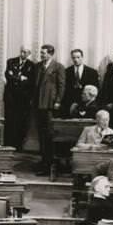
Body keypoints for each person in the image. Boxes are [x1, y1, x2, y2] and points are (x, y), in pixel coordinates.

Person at [34, 44, 65, 175]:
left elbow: (61, 85)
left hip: (50, 105)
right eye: (41, 53)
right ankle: (43, 162)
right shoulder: (38, 66)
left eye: (44, 53)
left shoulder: (58, 67)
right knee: (41, 135)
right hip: (38, 105)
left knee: (49, 135)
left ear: (51, 54)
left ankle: (49, 165)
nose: (41, 55)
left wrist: (58, 101)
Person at [3, 47, 36, 149]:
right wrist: (21, 78)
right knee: (10, 121)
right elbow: (8, 76)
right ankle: (9, 145)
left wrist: (15, 76)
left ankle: (18, 145)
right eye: (22, 51)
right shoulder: (11, 61)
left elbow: (31, 81)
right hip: (10, 98)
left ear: (29, 53)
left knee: (22, 122)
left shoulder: (32, 65)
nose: (22, 54)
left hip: (23, 99)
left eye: (25, 52)